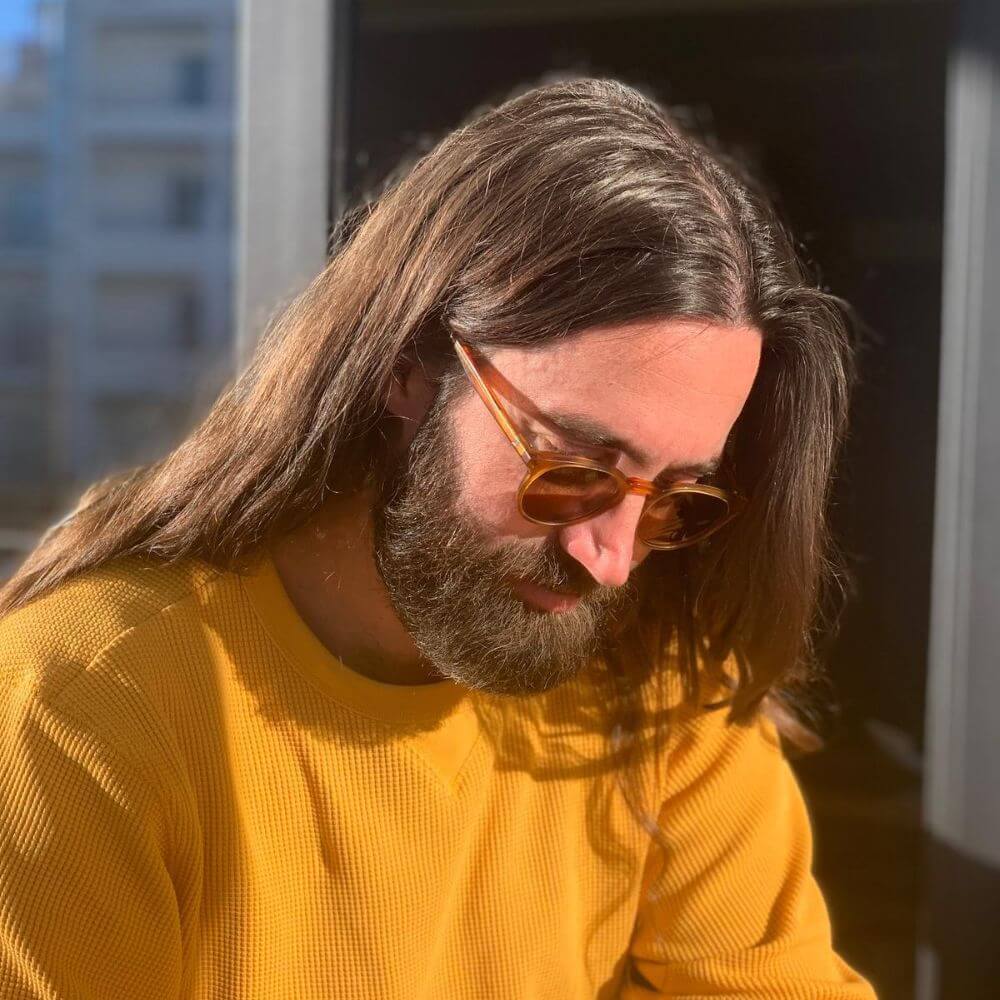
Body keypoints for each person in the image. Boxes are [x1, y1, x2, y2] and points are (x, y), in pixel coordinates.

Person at [0, 77, 878, 999]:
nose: (613, 560)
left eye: (673, 499)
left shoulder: (660, 688)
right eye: (574, 467)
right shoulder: (78, 710)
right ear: (407, 369)